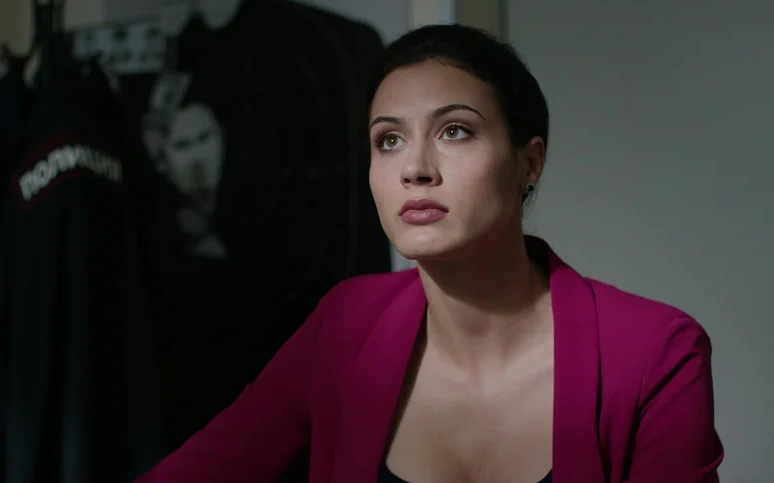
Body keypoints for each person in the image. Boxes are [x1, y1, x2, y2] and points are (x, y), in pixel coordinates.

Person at [135, 24, 723, 483]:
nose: (414, 169)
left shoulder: (656, 354)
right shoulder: (345, 325)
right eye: (388, 140)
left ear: (529, 162)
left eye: (455, 130)